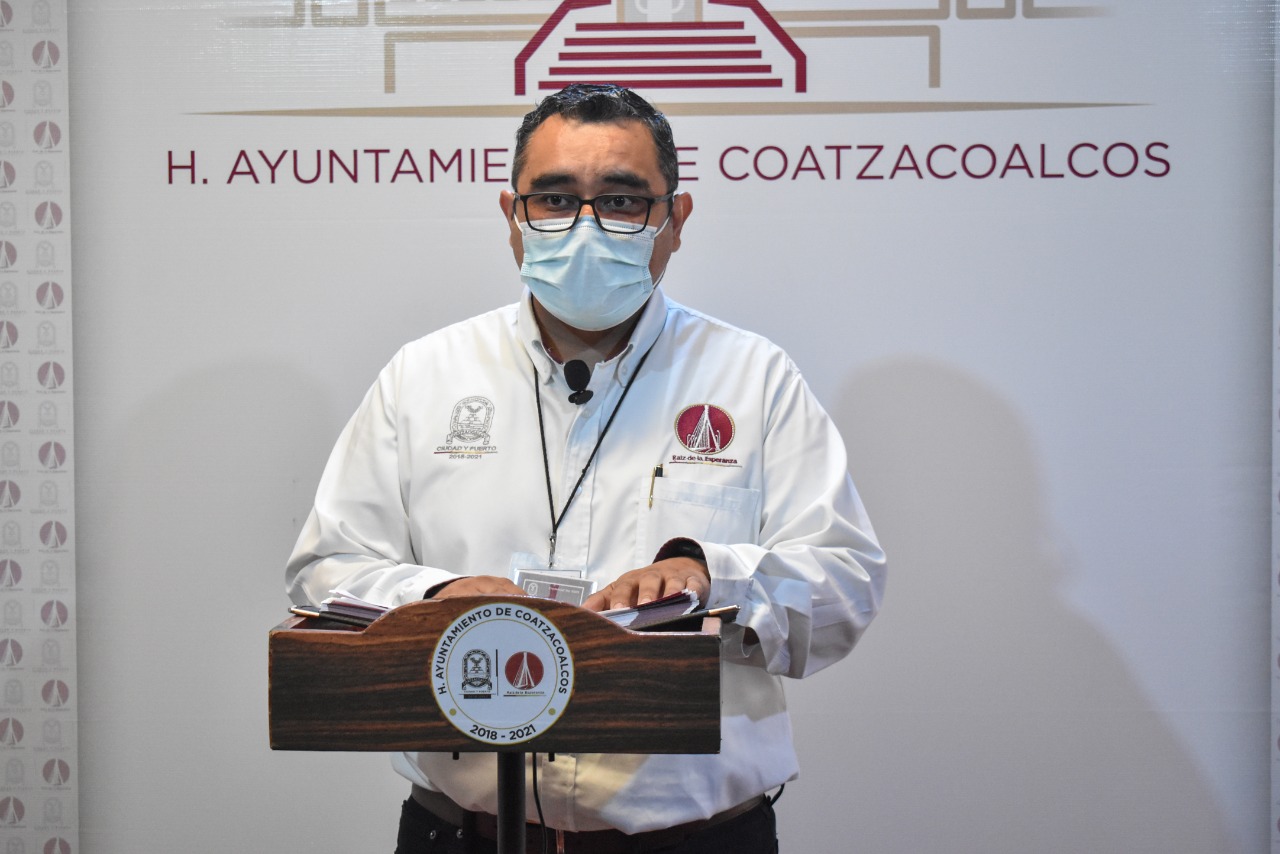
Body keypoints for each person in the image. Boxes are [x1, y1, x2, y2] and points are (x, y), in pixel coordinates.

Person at [286, 83, 886, 854]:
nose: (587, 226)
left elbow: (846, 581)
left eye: (623, 201)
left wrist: (712, 576)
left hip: (696, 840)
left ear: (676, 220)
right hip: (462, 833)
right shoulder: (425, 375)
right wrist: (436, 597)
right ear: (513, 217)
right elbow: (325, 570)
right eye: (556, 199)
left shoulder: (752, 376)